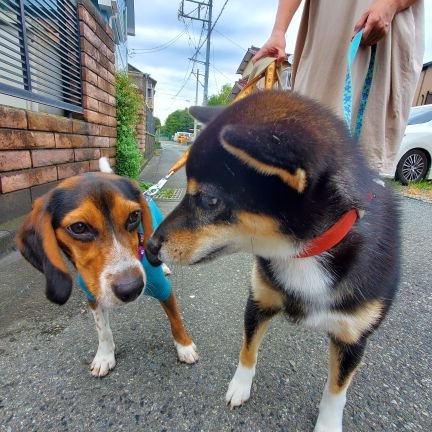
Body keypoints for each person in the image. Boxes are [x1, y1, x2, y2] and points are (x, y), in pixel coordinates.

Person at [253, 0, 424, 176]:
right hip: (323, 31)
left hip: (381, 30)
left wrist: (391, 4)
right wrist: (279, 30)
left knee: (361, 155)